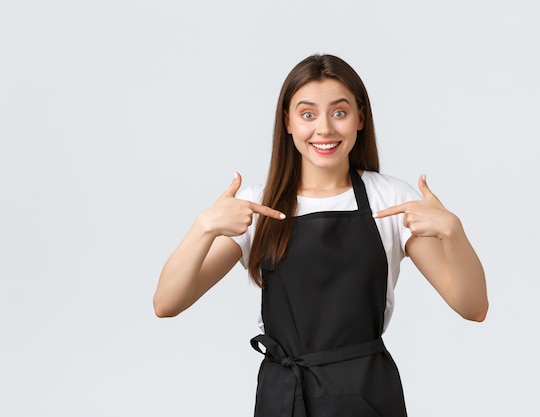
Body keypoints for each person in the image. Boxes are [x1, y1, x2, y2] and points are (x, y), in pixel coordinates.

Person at [153, 54, 488, 417]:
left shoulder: (390, 199)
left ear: (360, 117)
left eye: (339, 112)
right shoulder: (257, 206)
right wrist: (203, 227)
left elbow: (472, 307)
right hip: (285, 397)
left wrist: (454, 232)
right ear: (288, 122)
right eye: (308, 114)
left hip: (367, 396)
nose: (324, 129)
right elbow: (167, 303)